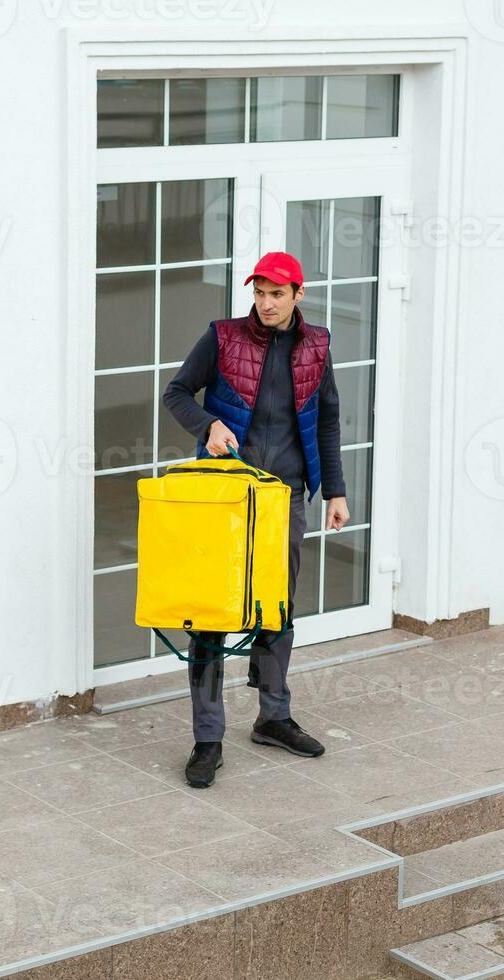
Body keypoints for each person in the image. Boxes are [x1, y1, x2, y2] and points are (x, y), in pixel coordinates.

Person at [161, 250, 349, 789]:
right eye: (259, 293)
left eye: (276, 294)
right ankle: (208, 738)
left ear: (297, 296)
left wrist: (334, 490)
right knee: (213, 612)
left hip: (285, 496)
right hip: (224, 495)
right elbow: (176, 392)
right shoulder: (222, 337)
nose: (265, 304)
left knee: (277, 606)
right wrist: (209, 423)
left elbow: (327, 421)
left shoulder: (317, 345)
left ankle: (273, 716)